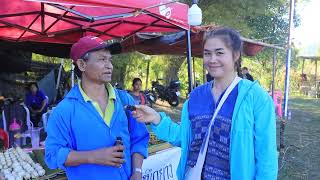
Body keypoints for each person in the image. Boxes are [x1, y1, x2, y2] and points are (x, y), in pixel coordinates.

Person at [132, 28, 277, 179]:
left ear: (236, 55)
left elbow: (266, 157)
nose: (212, 59)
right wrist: (156, 118)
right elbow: (185, 138)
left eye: (220, 53)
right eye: (207, 53)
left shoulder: (256, 98)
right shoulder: (196, 96)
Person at [45, 36, 149, 180]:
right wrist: (93, 157)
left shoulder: (125, 100)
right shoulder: (65, 110)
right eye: (102, 59)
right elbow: (53, 154)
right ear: (82, 65)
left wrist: (137, 171)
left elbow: (139, 138)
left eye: (110, 60)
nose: (109, 66)